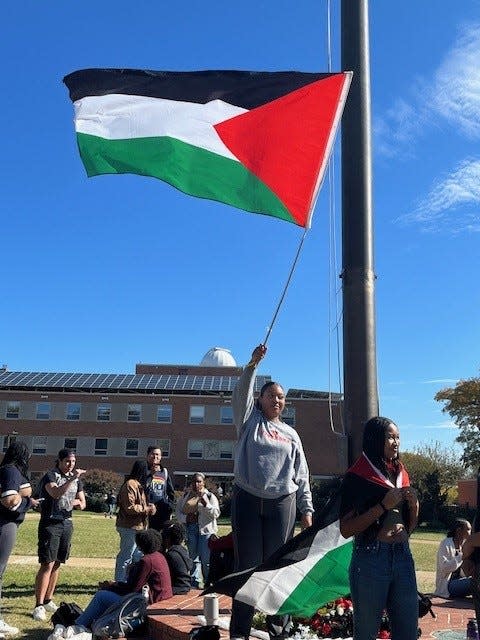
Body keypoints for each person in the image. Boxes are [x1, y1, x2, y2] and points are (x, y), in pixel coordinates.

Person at [229, 344, 314, 640]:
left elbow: (302, 473)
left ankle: (280, 630)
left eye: (281, 397)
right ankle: (239, 631)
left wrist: (307, 510)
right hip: (248, 500)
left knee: (279, 568)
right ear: (260, 399)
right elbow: (240, 393)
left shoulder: (292, 435)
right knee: (247, 567)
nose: (276, 400)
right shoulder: (249, 421)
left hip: (283, 504)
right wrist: (252, 365)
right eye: (271, 395)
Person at [339, 416, 419, 640]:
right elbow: (346, 529)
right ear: (376, 440)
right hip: (371, 559)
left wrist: (413, 506)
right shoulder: (356, 476)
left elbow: (409, 526)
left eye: (398, 438)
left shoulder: (401, 473)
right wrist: (383, 505)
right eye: (390, 437)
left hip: (403, 557)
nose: (396, 443)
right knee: (366, 633)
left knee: (407, 632)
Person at [74, 529, 173, 630]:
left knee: (101, 596)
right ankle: (93, 623)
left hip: (149, 604)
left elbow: (132, 589)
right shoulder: (158, 556)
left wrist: (112, 586)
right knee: (105, 595)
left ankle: (79, 625)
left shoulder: (147, 561)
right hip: (161, 600)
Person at [33, 449, 86, 622]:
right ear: (60, 461)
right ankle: (38, 605)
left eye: (73, 461)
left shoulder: (76, 479)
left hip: (67, 523)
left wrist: (76, 501)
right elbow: (55, 493)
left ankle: (48, 599)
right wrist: (71, 479)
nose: (71, 465)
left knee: (57, 563)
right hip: (51, 523)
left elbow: (82, 502)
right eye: (67, 461)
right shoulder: (51, 476)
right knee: (47, 563)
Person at [0, 442, 40, 637]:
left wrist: (26, 500)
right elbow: (9, 500)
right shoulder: (11, 471)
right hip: (4, 524)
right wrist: (25, 502)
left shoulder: (8, 470)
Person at [176, 473, 220, 588]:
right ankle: (194, 583)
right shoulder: (186, 496)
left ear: (203, 483)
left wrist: (206, 505)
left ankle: (208, 582)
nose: (197, 484)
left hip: (206, 531)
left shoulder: (210, 496)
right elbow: (178, 513)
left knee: (206, 560)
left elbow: (216, 514)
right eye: (194, 482)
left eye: (199, 482)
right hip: (191, 530)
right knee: (193, 558)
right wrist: (186, 518)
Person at [115, 460, 156, 583]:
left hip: (138, 527)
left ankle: (131, 582)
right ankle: (120, 582)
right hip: (129, 526)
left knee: (137, 556)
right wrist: (146, 509)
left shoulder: (139, 485)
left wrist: (150, 508)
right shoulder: (130, 484)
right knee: (126, 555)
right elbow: (130, 507)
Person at [435, 518, 472, 598]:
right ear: (459, 531)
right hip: (448, 586)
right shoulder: (445, 544)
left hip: (462, 581)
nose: (471, 532)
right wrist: (461, 556)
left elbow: (468, 571)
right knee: (474, 582)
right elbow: (445, 568)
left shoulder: (466, 545)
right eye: (468, 529)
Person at [144, 446, 175, 532]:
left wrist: (169, 506)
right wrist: (150, 475)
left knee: (161, 539)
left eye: (157, 455)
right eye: (152, 454)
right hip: (146, 511)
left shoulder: (164, 472)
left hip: (162, 512)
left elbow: (170, 492)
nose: (155, 457)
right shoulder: (143, 470)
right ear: (147, 455)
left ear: (161, 457)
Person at [162, 522, 193, 595]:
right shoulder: (183, 550)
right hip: (185, 586)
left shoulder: (171, 555)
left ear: (168, 538)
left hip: (175, 588)